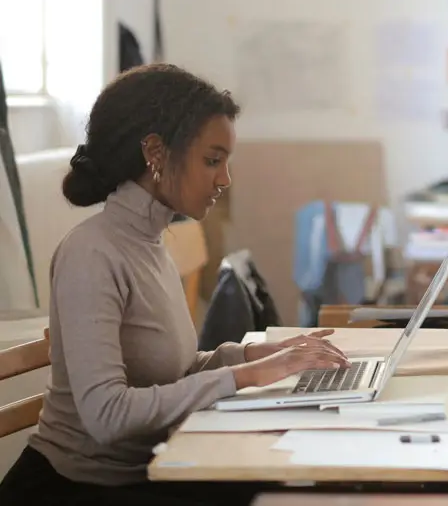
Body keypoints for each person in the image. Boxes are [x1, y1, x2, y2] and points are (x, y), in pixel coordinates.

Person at [0, 64, 350, 505]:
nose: (224, 179)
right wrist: (243, 376)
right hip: (81, 489)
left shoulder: (150, 242)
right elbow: (106, 414)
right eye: (212, 160)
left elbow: (171, 371)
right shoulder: (91, 254)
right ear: (156, 153)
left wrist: (257, 354)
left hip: (148, 469)